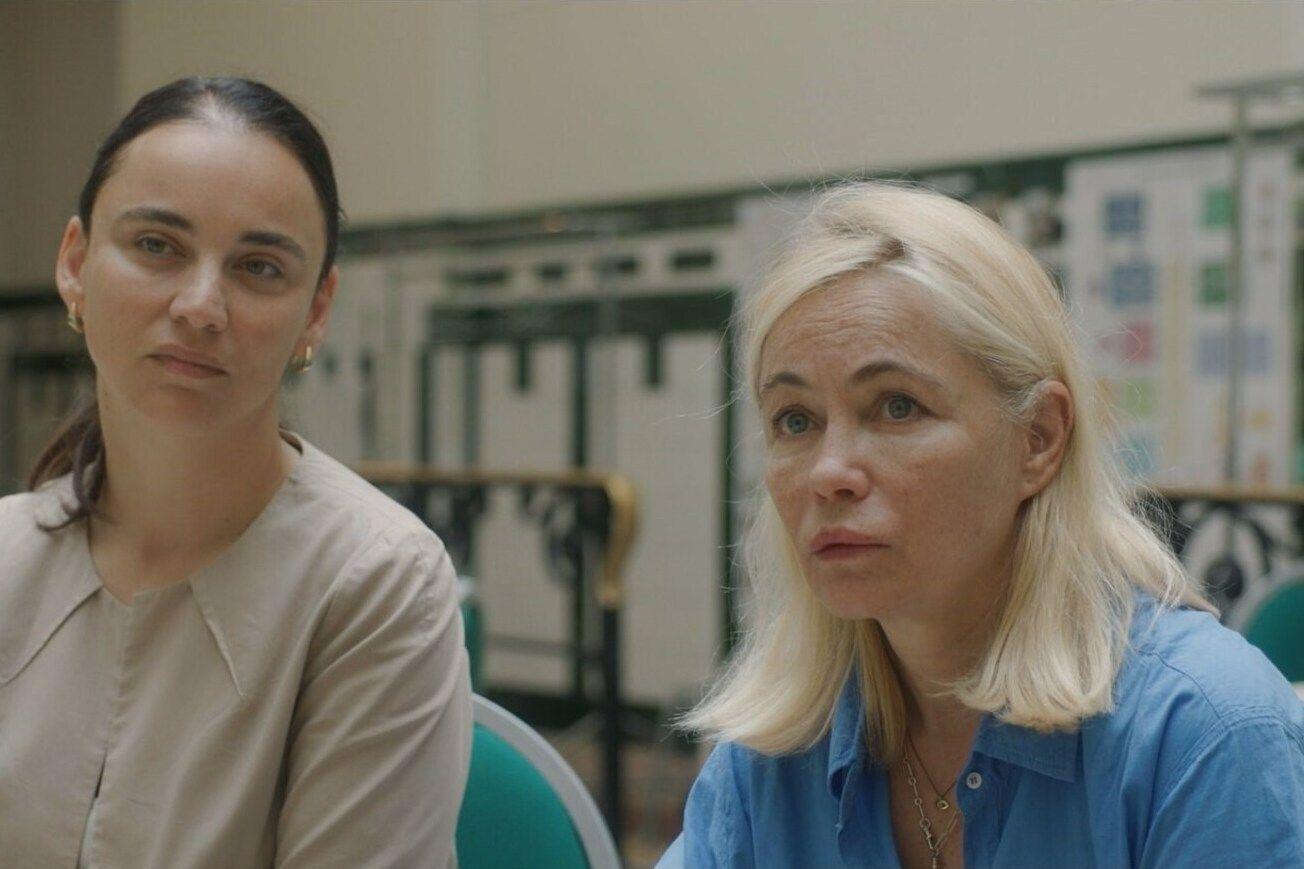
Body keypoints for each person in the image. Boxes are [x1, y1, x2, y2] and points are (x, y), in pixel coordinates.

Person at [658, 182, 1304, 868]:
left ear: (1038, 438)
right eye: (795, 420)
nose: (829, 471)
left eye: (897, 406)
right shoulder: (770, 757)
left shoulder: (1204, 730)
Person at [0, 77, 472, 867]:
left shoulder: (375, 582)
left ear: (315, 310)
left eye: (258, 267)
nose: (200, 305)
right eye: (157, 246)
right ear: (75, 263)